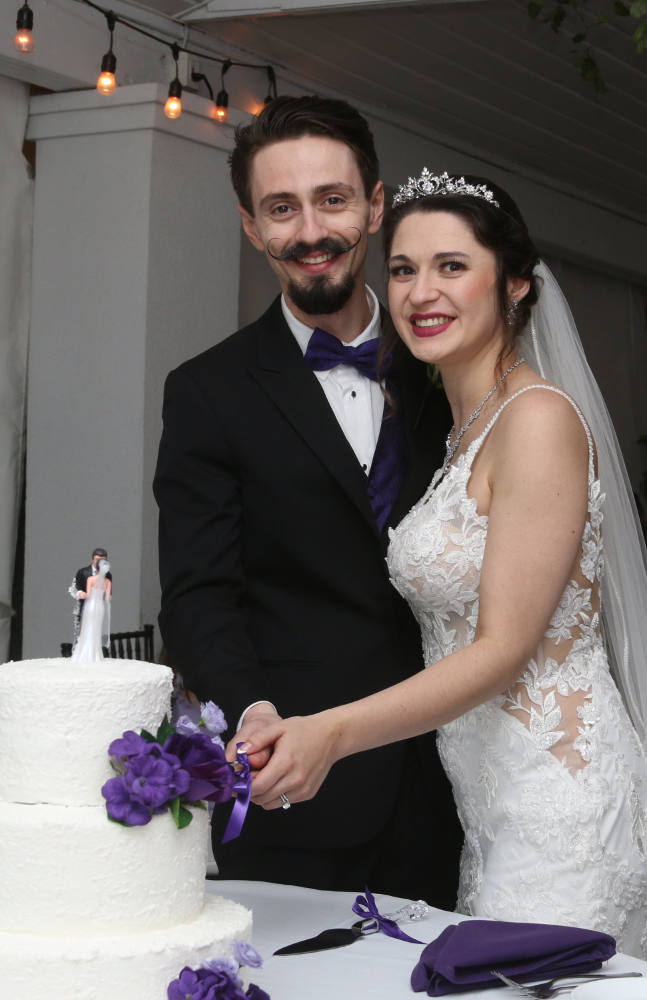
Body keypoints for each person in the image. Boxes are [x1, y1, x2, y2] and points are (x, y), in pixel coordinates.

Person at [236, 168, 647, 954]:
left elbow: (503, 650)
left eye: (452, 266)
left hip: (559, 810)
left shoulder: (536, 420)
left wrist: (330, 733)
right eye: (403, 269)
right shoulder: (461, 432)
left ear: (515, 283)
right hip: (489, 806)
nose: (422, 292)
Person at [154, 97, 464, 906]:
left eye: (332, 200)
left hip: (461, 785)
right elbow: (198, 595)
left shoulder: (455, 370)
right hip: (298, 790)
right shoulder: (207, 392)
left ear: (375, 204)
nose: (311, 231)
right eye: (282, 208)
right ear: (251, 225)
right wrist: (252, 710)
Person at [69, 548, 112, 647]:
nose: (100, 563)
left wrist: (107, 597)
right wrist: (80, 593)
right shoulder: (83, 572)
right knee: (83, 629)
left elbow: (109, 593)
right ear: (93, 559)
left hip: (100, 606)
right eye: (97, 560)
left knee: (97, 629)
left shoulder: (108, 576)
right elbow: (75, 587)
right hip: (85, 605)